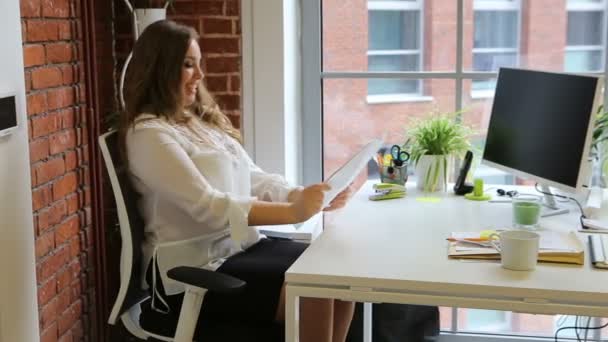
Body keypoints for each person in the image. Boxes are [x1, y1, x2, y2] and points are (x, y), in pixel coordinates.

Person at [118, 20, 355, 342]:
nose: (199, 76)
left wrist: (302, 194)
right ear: (160, 68)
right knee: (313, 286)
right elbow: (208, 206)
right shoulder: (148, 135)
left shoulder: (199, 124)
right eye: (188, 65)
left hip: (241, 248)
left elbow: (253, 177)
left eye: (198, 64)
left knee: (337, 274)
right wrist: (293, 212)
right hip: (194, 272)